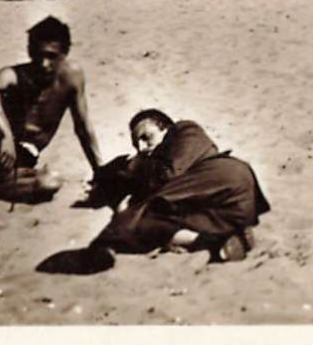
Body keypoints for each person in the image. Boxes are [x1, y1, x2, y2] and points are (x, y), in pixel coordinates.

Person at [0, 17, 105, 217]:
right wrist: (6, 135)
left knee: (50, 182)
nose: (44, 64)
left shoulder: (72, 77)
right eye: (38, 55)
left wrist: (100, 171)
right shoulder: (16, 75)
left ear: (65, 53)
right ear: (29, 51)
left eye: (51, 56)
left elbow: (83, 126)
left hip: (20, 163)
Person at [90, 110, 270, 263]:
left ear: (165, 128)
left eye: (146, 137)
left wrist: (136, 167)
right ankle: (221, 241)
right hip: (222, 209)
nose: (142, 147)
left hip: (226, 181)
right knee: (153, 222)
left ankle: (105, 244)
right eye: (137, 144)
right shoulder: (158, 161)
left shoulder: (185, 130)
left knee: (140, 211)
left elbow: (169, 176)